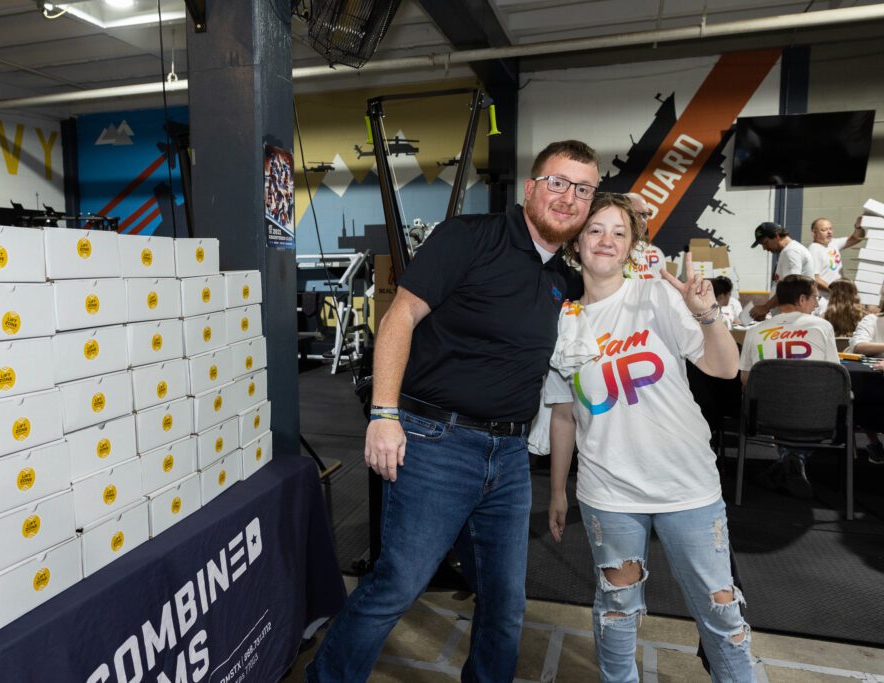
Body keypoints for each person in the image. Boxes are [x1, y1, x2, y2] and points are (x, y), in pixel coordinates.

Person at [306, 140, 600, 683]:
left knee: (505, 604)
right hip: (435, 443)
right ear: (531, 187)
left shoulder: (563, 276)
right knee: (396, 584)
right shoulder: (469, 237)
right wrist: (384, 414)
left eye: (583, 189)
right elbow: (399, 320)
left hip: (510, 457)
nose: (569, 197)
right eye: (558, 182)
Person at [546, 193, 752, 683]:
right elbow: (563, 417)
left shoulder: (657, 295)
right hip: (609, 491)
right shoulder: (562, 322)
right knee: (617, 613)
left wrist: (707, 315)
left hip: (688, 486)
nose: (607, 240)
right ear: (576, 241)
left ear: (631, 245)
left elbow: (723, 369)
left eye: (619, 232)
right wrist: (556, 491)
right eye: (595, 229)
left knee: (722, 612)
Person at [739, 275, 839, 498]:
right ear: (802, 299)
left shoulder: (754, 332)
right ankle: (796, 458)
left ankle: (787, 460)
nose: (817, 302)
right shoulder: (822, 327)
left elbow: (746, 380)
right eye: (815, 297)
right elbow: (834, 377)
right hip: (815, 418)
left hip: (765, 417)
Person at [846, 286, 884, 464]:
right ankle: (873, 441)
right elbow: (858, 346)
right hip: (872, 383)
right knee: (865, 393)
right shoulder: (872, 320)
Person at [749, 222, 814, 321]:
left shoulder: (791, 252)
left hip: (793, 317)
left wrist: (765, 308)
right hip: (790, 316)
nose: (764, 248)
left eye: (765, 243)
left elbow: (790, 288)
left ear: (777, 236)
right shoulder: (790, 250)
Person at [808, 216, 864, 309]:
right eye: (824, 230)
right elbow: (815, 279)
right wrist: (836, 291)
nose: (829, 232)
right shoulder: (814, 250)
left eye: (830, 229)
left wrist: (858, 227)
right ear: (814, 232)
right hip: (825, 301)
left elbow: (856, 238)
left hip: (837, 297)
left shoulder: (833, 243)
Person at [622, 192, 666, 279]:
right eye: (635, 214)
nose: (642, 221)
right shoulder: (605, 252)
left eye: (645, 215)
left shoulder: (655, 253)